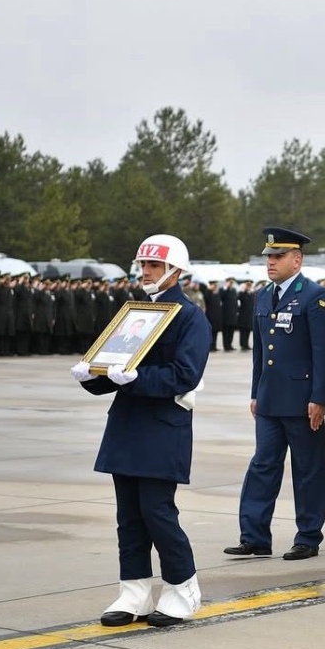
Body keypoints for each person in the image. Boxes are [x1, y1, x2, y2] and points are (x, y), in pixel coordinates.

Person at [69, 233, 212, 628]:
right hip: (128, 424)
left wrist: (135, 378)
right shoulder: (134, 312)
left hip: (164, 425)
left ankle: (182, 589)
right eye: (143, 265)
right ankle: (133, 593)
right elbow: (112, 367)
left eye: (153, 266)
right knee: (129, 516)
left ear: (175, 271)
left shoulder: (190, 317)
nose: (145, 272)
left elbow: (184, 375)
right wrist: (90, 376)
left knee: (157, 512)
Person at [224, 227, 325, 561]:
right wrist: (256, 391)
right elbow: (260, 350)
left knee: (308, 469)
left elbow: (323, 353)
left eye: (278, 256)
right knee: (262, 465)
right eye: (268, 257)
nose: (270, 262)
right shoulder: (263, 295)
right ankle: (255, 536)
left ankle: (308, 536)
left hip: (303, 401)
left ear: (297, 260)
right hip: (270, 399)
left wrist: (320, 399)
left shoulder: (314, 296)